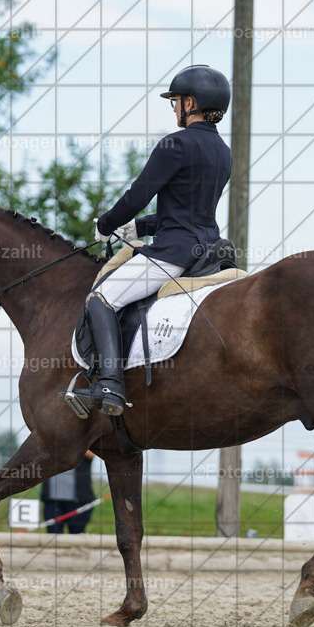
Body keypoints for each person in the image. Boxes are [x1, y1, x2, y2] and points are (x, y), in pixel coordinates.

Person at [69, 64, 233, 416]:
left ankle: (110, 385)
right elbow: (188, 211)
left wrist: (108, 223)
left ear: (190, 102)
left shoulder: (175, 143)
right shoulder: (223, 151)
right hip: (208, 249)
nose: (174, 107)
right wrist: (139, 229)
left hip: (173, 254)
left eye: (175, 101)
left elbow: (137, 194)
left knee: (100, 299)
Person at [40, 451, 96, 534]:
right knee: (52, 535)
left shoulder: (82, 439)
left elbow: (92, 455)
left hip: (79, 501)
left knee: (77, 536)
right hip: (52, 501)